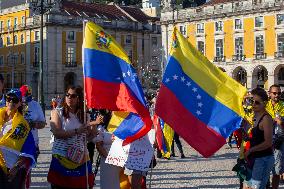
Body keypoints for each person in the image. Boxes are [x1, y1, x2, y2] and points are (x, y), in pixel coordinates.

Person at [47, 85, 102, 189]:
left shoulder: (85, 115)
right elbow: (57, 132)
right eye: (67, 95)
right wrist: (77, 131)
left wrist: (94, 126)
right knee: (60, 186)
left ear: (79, 98)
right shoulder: (57, 112)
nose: (69, 98)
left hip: (81, 158)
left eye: (73, 96)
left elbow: (88, 138)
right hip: (62, 157)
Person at [0, 89, 36, 188]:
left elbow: (28, 150)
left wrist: (16, 167)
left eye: (15, 100)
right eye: (9, 99)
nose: (11, 102)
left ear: (20, 103)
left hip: (11, 169)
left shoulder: (23, 125)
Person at [244, 88, 274, 189]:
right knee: (247, 186)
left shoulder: (266, 119)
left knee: (256, 187)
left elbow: (268, 142)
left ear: (265, 103)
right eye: (251, 101)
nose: (253, 104)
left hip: (263, 159)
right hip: (254, 158)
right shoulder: (255, 115)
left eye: (257, 102)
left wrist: (251, 150)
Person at [94, 111, 121, 189]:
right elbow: (98, 145)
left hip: (120, 159)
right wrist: (109, 158)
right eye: (113, 112)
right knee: (108, 183)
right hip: (106, 159)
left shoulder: (123, 126)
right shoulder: (102, 127)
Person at [20, 85, 46, 161]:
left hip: (32, 142)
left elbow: (43, 123)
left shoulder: (35, 105)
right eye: (24, 95)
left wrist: (34, 124)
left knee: (28, 169)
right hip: (17, 143)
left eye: (27, 95)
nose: (25, 98)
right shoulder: (16, 104)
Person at [266, 84, 284, 189]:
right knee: (265, 167)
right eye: (274, 93)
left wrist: (281, 122)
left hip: (279, 141)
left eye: (279, 93)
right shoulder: (264, 105)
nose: (277, 95)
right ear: (269, 93)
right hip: (265, 141)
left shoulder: (283, 105)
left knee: (277, 170)